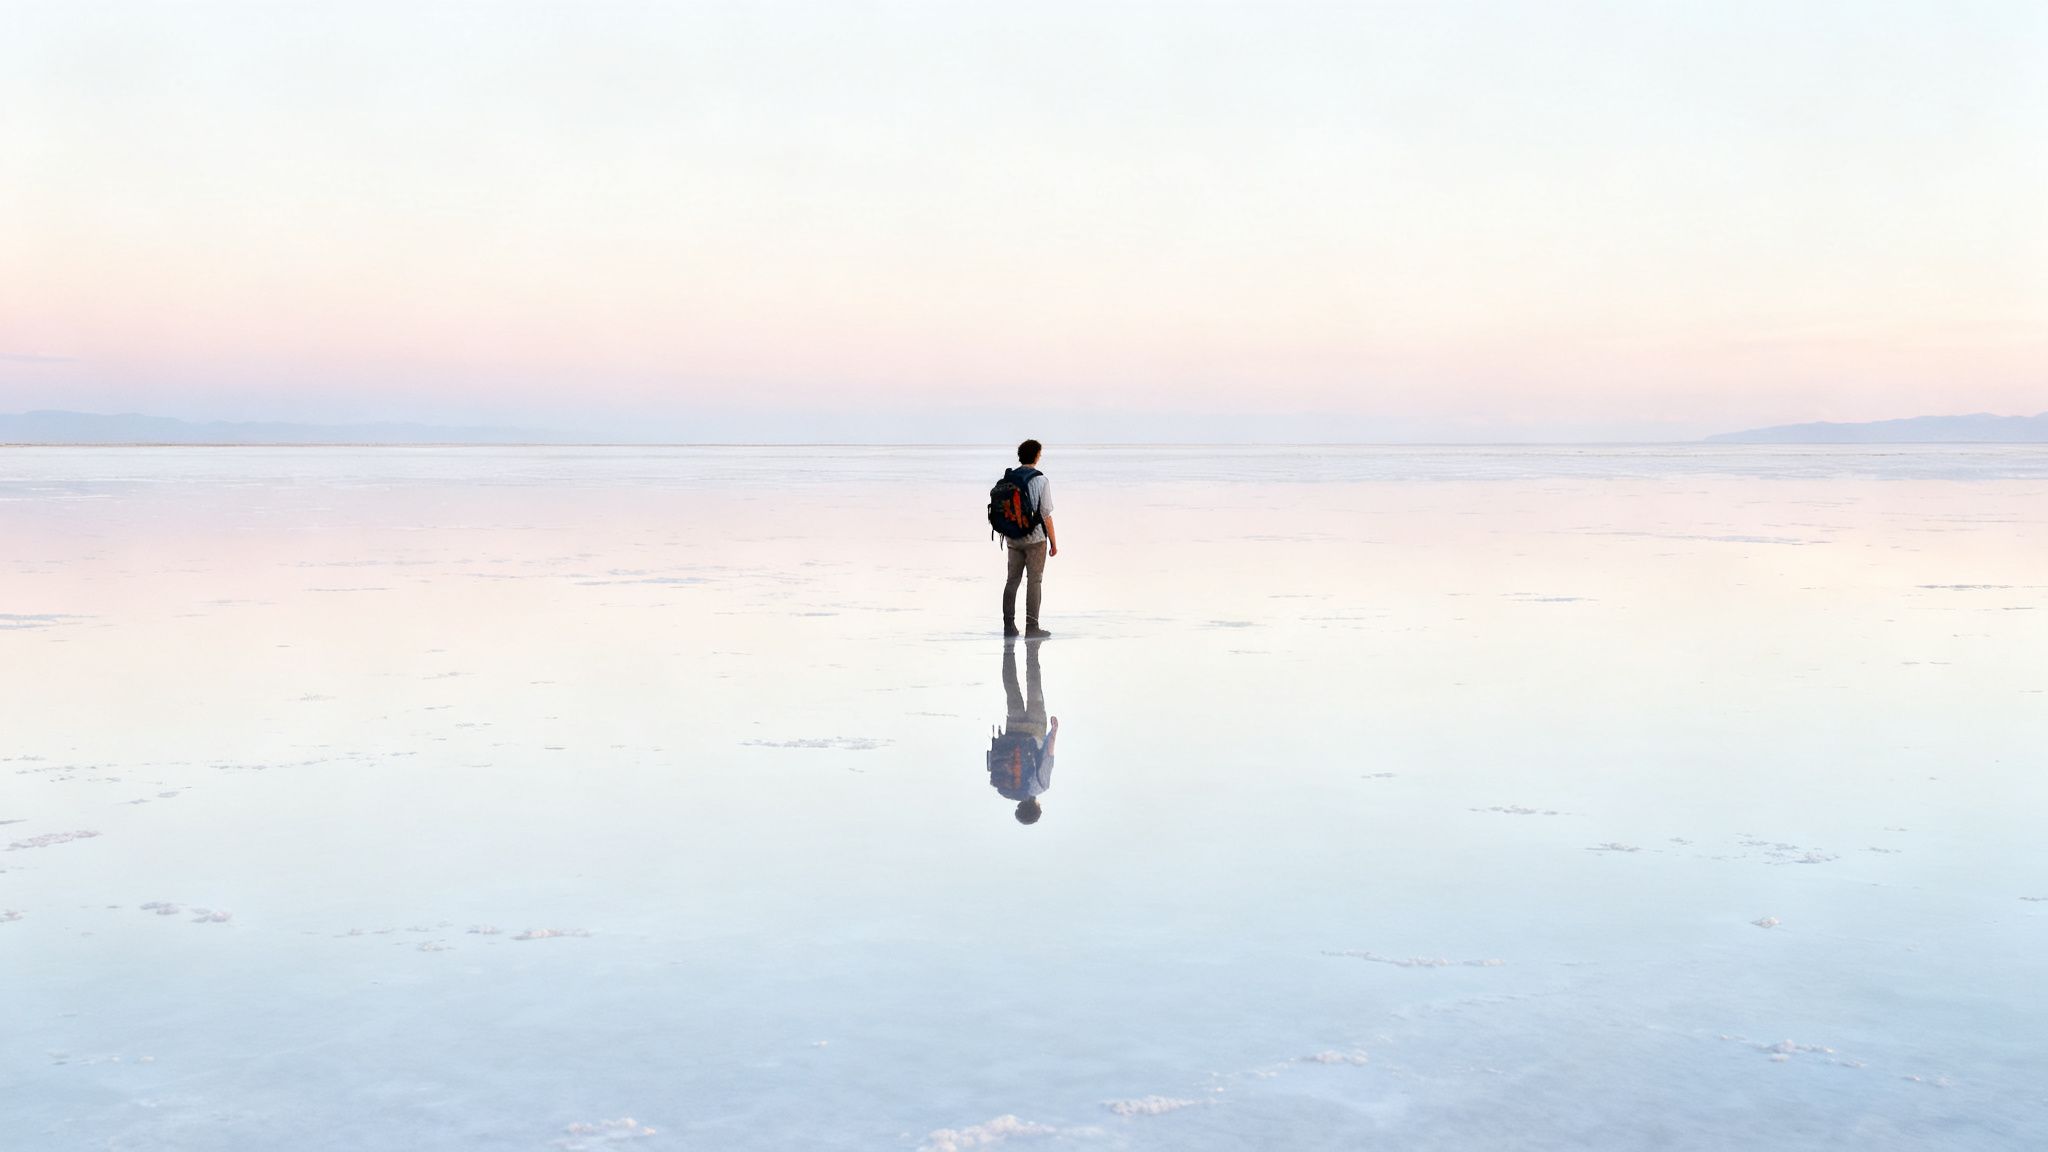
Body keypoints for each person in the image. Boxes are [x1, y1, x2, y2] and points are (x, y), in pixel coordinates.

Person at [988, 639, 1057, 824]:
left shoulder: (1040, 786)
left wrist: (1054, 731)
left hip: (1035, 727)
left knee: (1033, 681)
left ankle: (1032, 646)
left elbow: (1048, 755)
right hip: (1013, 730)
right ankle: (1008, 648)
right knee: (1011, 688)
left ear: (1036, 807)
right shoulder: (1004, 789)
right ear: (1019, 807)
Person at [1001, 439, 1057, 638]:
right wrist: (1054, 542)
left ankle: (1009, 626)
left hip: (1013, 538)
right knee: (1034, 582)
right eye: (1039, 454)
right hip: (1035, 539)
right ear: (1035, 456)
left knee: (1012, 581)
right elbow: (1045, 514)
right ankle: (1032, 627)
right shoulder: (1041, 480)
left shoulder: (1010, 477)